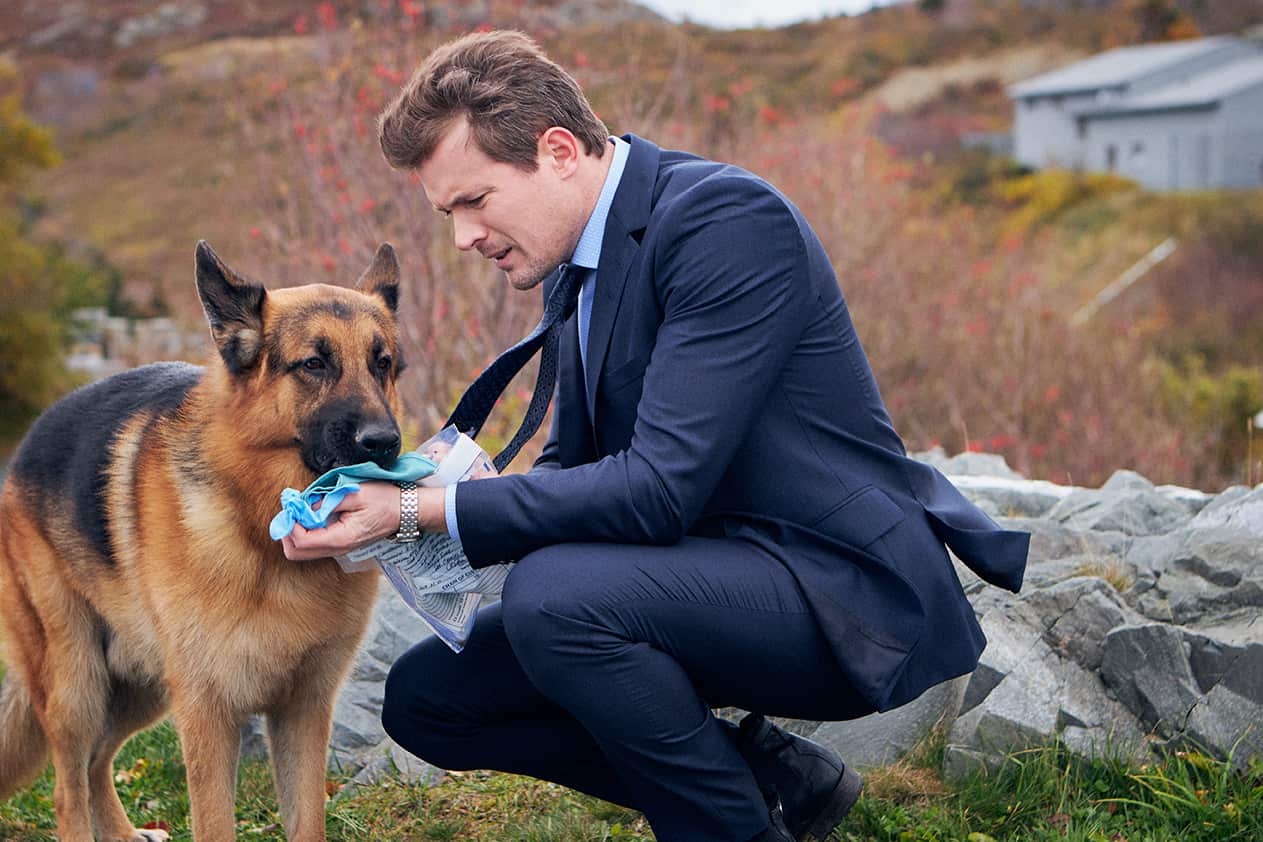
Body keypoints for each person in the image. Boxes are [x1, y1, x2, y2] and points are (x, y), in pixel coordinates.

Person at [282, 29, 1029, 842]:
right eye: (447, 212)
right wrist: (423, 493)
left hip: (833, 589)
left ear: (558, 150)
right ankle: (769, 779)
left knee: (556, 603)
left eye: (474, 201)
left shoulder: (725, 221)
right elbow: (580, 462)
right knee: (429, 696)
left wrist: (424, 513)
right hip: (705, 575)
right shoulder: (579, 257)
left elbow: (656, 490)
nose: (462, 237)